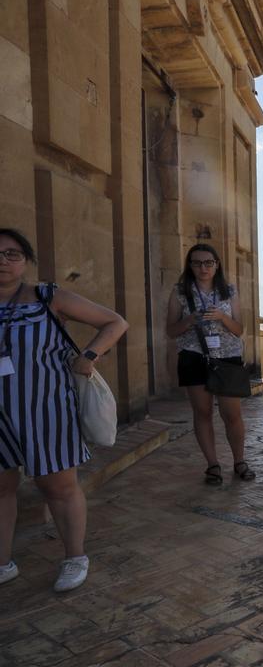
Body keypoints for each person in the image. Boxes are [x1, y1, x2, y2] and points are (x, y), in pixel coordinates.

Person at [0, 228, 128, 592]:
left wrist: (89, 356)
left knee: (58, 486)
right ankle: (3, 562)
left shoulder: (47, 297)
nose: (3, 261)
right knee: (1, 488)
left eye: (12, 254)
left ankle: (75, 557)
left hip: (46, 409)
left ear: (26, 261)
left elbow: (115, 322)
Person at [165, 243, 253, 485]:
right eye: (197, 263)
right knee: (202, 412)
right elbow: (170, 330)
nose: (203, 268)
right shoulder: (180, 292)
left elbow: (239, 329)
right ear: (190, 265)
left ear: (217, 265)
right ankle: (213, 464)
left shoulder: (229, 291)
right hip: (194, 356)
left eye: (208, 263)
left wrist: (222, 317)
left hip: (227, 357)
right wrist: (189, 320)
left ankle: (239, 461)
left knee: (231, 414)